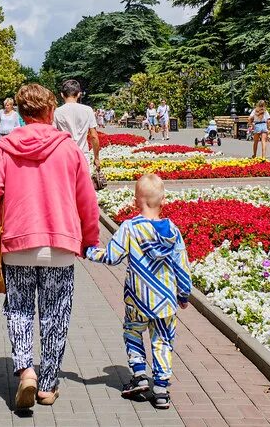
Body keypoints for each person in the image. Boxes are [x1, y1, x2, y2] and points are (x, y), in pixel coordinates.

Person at [0, 83, 100, 410]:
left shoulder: (5, 146)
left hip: (17, 241)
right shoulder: (69, 149)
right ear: (49, 112)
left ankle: (26, 371)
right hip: (59, 245)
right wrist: (90, 239)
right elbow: (86, 199)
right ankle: (47, 385)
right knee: (55, 313)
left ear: (20, 112)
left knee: (19, 309)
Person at [85, 173, 192, 410]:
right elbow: (181, 264)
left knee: (133, 333)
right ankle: (161, 389)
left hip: (137, 299)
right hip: (165, 301)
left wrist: (89, 251)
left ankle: (140, 374)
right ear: (163, 200)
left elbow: (112, 257)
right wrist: (183, 294)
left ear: (136, 201)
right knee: (163, 341)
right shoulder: (172, 231)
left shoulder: (129, 228)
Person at [53, 79, 101, 170]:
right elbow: (94, 136)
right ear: (79, 94)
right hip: (83, 155)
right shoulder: (88, 110)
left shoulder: (57, 112)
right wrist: (96, 158)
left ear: (62, 94)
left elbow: (53, 135)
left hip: (65, 156)